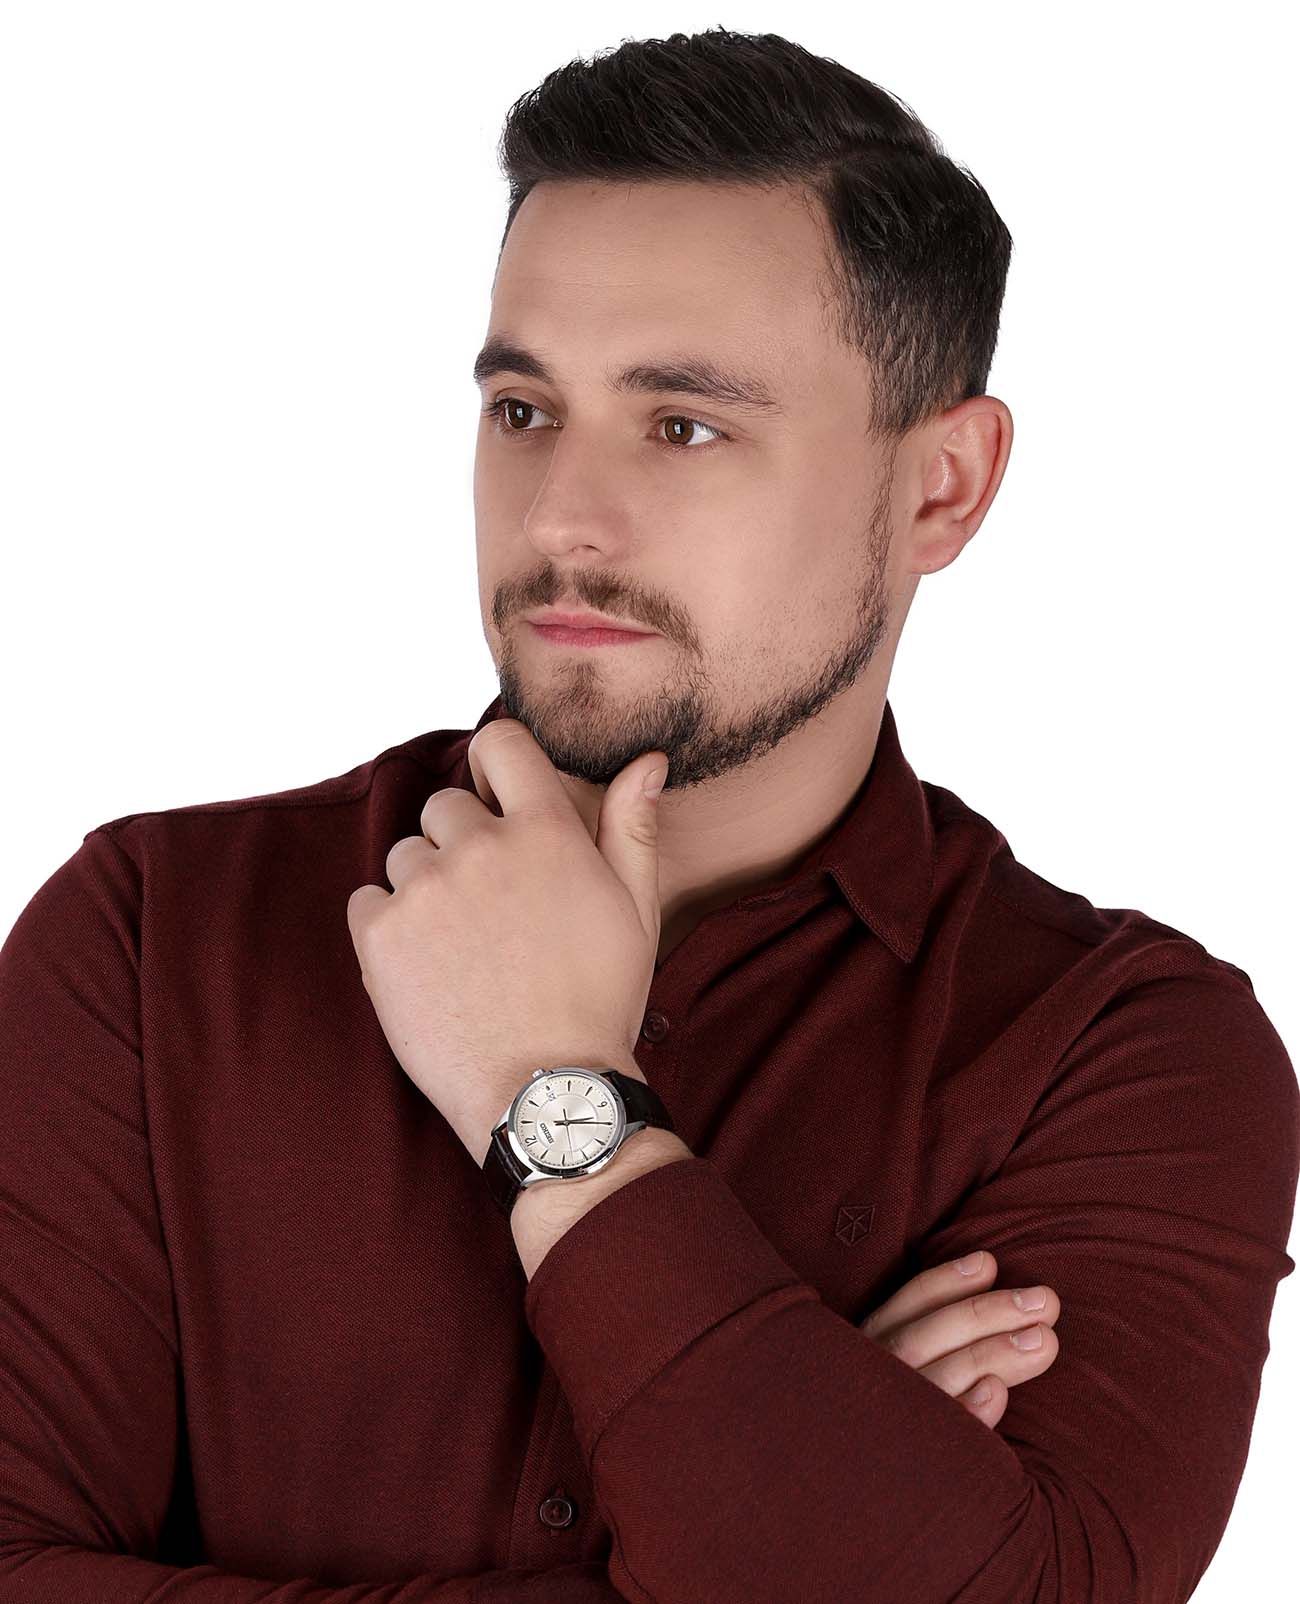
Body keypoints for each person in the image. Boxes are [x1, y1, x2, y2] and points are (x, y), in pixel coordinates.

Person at [2, 26, 1295, 1604]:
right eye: (523, 409)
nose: (559, 517)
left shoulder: (1123, 1053)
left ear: (942, 486)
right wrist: (778, 1530)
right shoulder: (152, 939)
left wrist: (552, 1099)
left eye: (684, 425)